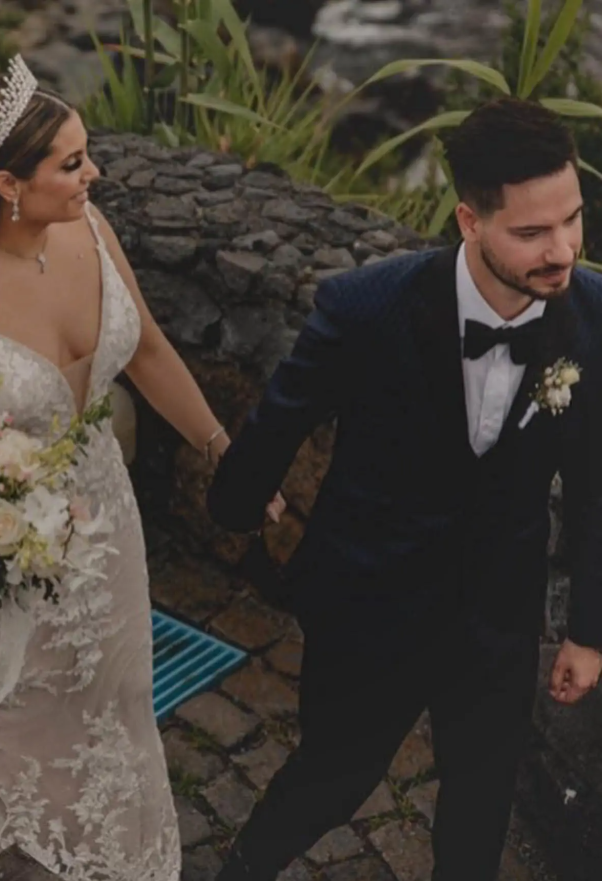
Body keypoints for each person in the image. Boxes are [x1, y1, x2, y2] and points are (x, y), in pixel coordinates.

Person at [0, 55, 250, 880]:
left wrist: (221, 449)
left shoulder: (92, 231)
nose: (93, 172)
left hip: (102, 517)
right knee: (8, 694)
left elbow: (153, 350)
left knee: (109, 687)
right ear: (6, 184)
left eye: (85, 152)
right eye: (72, 162)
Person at [207, 97, 602, 881]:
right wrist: (241, 514)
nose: (562, 250)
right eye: (531, 232)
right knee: (331, 777)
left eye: (573, 220)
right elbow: (279, 420)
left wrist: (588, 629)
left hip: (496, 619)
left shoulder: (593, 320)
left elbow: (595, 485)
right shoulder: (364, 308)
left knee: (480, 807)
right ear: (469, 220)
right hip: (369, 607)